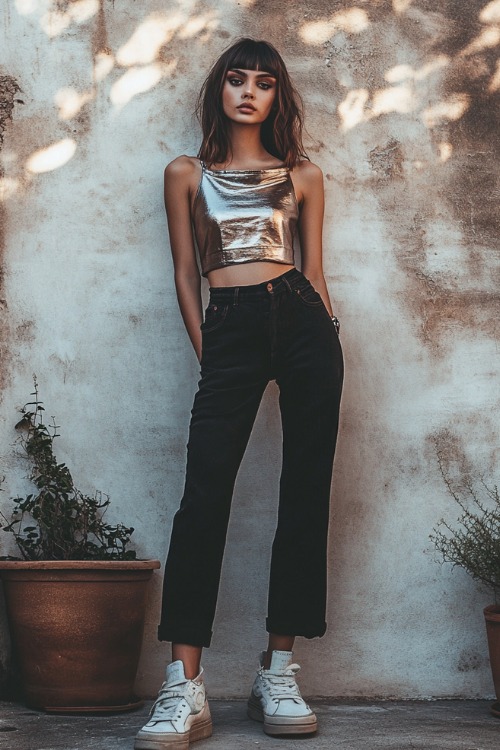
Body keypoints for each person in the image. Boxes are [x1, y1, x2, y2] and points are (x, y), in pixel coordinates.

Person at [135, 37, 344, 750]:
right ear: (219, 91)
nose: (249, 91)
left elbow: (315, 274)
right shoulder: (186, 173)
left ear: (278, 96)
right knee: (204, 495)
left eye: (264, 82)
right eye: (236, 79)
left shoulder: (305, 175)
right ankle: (184, 685)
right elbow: (186, 276)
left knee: (304, 490)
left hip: (304, 323)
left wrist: (327, 332)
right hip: (231, 328)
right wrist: (211, 352)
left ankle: (279, 668)